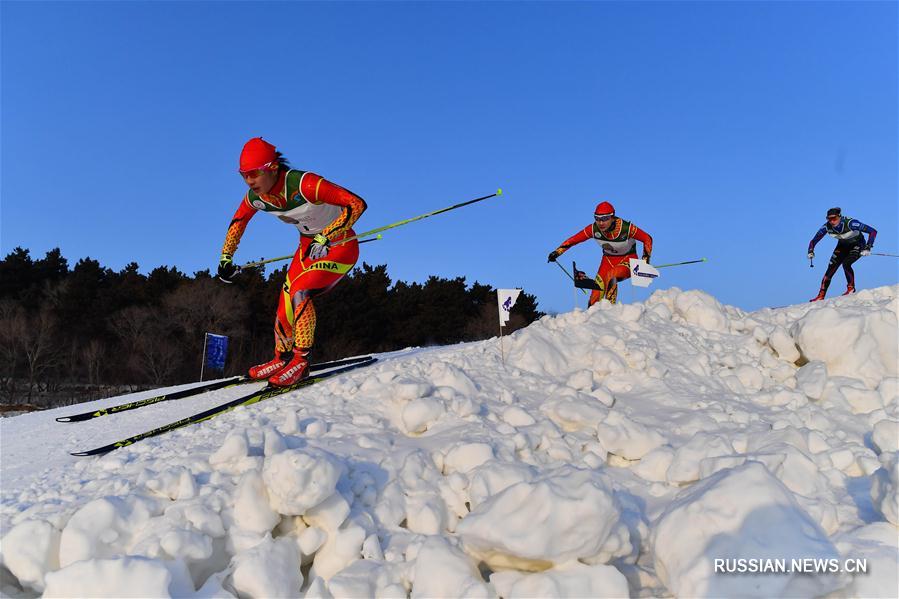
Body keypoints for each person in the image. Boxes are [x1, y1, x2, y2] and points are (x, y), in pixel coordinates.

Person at [217, 137, 367, 386]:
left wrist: (326, 236)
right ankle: (282, 357)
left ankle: (301, 361)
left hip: (339, 246)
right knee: (284, 306)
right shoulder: (258, 197)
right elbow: (239, 221)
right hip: (306, 249)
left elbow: (356, 204)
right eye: (243, 175)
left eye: (254, 173)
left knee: (301, 291)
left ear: (272, 168)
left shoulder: (306, 184)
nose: (249, 180)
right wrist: (226, 258)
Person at [547, 201, 653, 305]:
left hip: (627, 260)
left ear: (613, 217)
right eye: (597, 219)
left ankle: (610, 311)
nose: (601, 223)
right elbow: (574, 240)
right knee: (595, 296)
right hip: (607, 261)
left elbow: (647, 238)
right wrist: (557, 252)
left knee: (612, 276)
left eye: (605, 219)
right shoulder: (593, 229)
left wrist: (644, 262)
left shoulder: (626, 227)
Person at [807, 207, 877, 302]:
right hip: (842, 246)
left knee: (846, 264)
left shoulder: (850, 223)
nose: (832, 221)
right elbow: (813, 240)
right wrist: (811, 250)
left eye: (834, 218)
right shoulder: (826, 227)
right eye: (829, 219)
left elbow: (873, 231)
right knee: (830, 269)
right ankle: (821, 295)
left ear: (839, 217)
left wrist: (868, 247)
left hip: (858, 244)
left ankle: (850, 288)